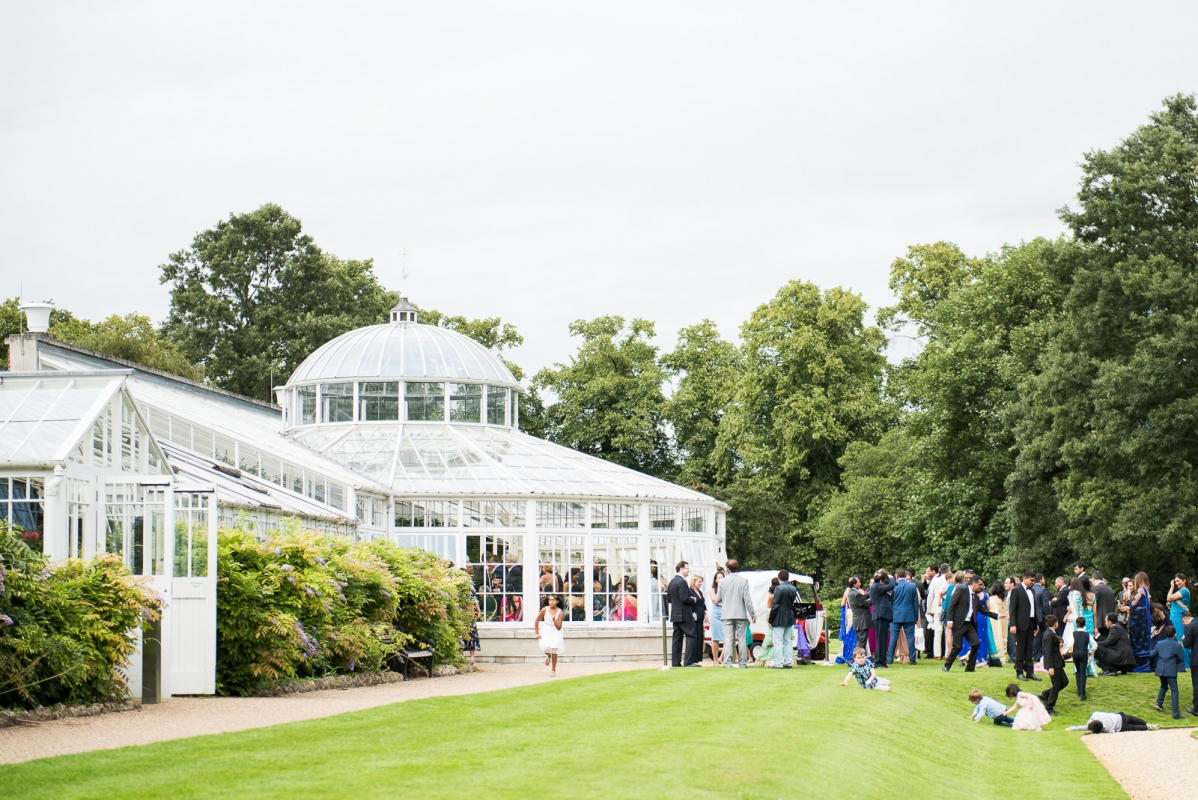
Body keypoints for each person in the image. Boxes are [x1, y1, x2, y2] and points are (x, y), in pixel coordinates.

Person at [944, 575, 997, 672]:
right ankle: (946, 666)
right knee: (958, 646)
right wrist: (950, 620)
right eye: (980, 584)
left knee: (976, 643)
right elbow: (951, 605)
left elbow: (982, 610)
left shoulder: (975, 596)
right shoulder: (961, 590)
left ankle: (970, 668)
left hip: (969, 624)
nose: (982, 587)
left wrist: (997, 616)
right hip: (958, 623)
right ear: (974, 583)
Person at [716, 559, 755, 668]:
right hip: (740, 614)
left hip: (726, 613)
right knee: (741, 639)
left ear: (727, 569)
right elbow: (747, 599)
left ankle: (728, 663)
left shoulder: (722, 581)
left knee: (728, 638)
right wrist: (752, 614)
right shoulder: (744, 581)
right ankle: (743, 663)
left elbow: (718, 598)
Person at [1008, 570, 1041, 682]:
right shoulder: (1016, 590)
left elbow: (1033, 608)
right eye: (1031, 580)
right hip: (1020, 623)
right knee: (1020, 648)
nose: (1032, 582)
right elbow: (1012, 609)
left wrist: (1036, 623)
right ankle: (1019, 671)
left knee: (1029, 648)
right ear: (1025, 578)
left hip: (1031, 622)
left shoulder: (1031, 590)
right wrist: (1013, 624)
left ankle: (1030, 672)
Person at [1151, 626, 1186, 719]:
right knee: (1174, 691)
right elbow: (1181, 658)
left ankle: (1159, 702)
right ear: (1174, 635)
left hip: (1160, 669)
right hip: (1170, 670)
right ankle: (1176, 714)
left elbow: (1152, 654)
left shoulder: (1159, 643)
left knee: (1163, 686)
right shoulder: (1177, 645)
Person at [1066, 576, 1098, 677]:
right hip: (1090, 622)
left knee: (1078, 643)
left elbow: (1072, 605)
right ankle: (1090, 668)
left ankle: (1079, 668)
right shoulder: (1093, 596)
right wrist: (1096, 626)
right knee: (1089, 644)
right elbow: (1095, 612)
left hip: (1079, 621)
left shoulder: (1076, 595)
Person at [888, 569, 920, 666]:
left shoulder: (893, 587)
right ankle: (913, 659)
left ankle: (889, 659)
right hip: (909, 615)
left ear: (896, 576)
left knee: (893, 637)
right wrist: (915, 617)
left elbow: (890, 602)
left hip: (896, 615)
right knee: (910, 637)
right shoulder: (912, 586)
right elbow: (915, 602)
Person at [667, 561, 696, 668]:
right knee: (691, 635)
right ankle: (688, 662)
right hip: (684, 614)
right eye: (687, 568)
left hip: (675, 613)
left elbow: (669, 599)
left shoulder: (671, 582)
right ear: (681, 569)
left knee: (677, 638)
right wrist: (692, 599)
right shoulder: (682, 582)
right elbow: (685, 599)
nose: (688, 570)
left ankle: (675, 662)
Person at [1039, 615, 1068, 716]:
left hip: (1058, 662)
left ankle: (1045, 694)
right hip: (1054, 664)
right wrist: (1050, 666)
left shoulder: (1051, 633)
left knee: (1064, 681)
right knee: (1056, 685)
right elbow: (1047, 651)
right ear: (1055, 623)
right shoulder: (1049, 634)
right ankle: (1049, 706)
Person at [769, 569, 798, 669]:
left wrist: (770, 619)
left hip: (779, 617)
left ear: (779, 578)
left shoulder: (778, 588)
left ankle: (778, 663)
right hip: (789, 615)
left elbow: (775, 605)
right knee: (787, 641)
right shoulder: (793, 588)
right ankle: (788, 662)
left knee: (777, 641)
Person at [1124, 572, 1153, 663]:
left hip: (1138, 619)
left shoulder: (1140, 590)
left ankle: (1138, 663)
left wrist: (1129, 598)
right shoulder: (1146, 590)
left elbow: (1133, 604)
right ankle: (1145, 662)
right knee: (1143, 638)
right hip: (1144, 618)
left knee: (1137, 639)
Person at [534, 594, 565, 676]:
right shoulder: (544, 610)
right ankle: (548, 656)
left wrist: (554, 620)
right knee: (545, 647)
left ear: (557, 601)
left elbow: (559, 627)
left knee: (554, 649)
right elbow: (536, 620)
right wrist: (537, 633)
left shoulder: (560, 612)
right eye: (550, 600)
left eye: (553, 600)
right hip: (546, 629)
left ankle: (553, 669)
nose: (551, 602)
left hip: (555, 631)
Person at [869, 570, 894, 668]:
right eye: (886, 579)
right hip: (880, 616)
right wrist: (891, 577)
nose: (888, 581)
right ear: (882, 581)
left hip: (882, 616)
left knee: (883, 640)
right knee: (880, 640)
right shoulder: (877, 586)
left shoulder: (877, 586)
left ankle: (882, 662)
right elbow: (892, 585)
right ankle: (879, 662)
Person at [1166, 573, 1191, 666]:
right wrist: (1171, 605)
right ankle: (1181, 663)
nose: (1176, 583)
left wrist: (1171, 587)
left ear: (1184, 580)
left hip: (1180, 619)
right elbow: (1170, 601)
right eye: (1175, 581)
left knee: (1182, 640)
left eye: (1178, 581)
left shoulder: (1184, 590)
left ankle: (1186, 664)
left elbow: (1169, 597)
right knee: (1178, 640)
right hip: (1176, 618)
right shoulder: (1181, 591)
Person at [927, 564, 950, 660]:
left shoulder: (935, 581)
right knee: (948, 632)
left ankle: (937, 654)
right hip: (948, 607)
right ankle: (947, 654)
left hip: (937, 608)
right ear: (949, 570)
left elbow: (930, 595)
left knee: (937, 631)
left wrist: (928, 610)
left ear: (940, 570)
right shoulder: (950, 580)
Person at [848, 576, 873, 658]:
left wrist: (870, 593)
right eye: (858, 582)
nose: (860, 583)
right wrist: (874, 598)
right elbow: (866, 604)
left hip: (858, 620)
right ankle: (854, 659)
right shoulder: (856, 594)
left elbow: (863, 598)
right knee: (862, 641)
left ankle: (855, 658)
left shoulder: (853, 593)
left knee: (860, 640)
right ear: (854, 584)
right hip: (861, 620)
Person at [1066, 711, 1155, 733]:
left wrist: (1073, 728)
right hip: (1120, 716)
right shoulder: (1096, 714)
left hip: (1121, 727)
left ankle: (1147, 727)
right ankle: (1146, 723)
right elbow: (1087, 725)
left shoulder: (1105, 728)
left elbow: (1085, 727)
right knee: (1136, 720)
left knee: (1135, 728)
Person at [686, 575, 707, 666]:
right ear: (694, 582)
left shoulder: (700, 592)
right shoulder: (689, 591)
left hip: (700, 618)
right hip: (693, 618)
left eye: (701, 582)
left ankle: (697, 659)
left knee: (699, 638)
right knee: (694, 638)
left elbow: (703, 604)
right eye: (699, 582)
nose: (700, 584)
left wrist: (706, 613)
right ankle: (692, 659)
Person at [1072, 617, 1094, 702]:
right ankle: (1082, 693)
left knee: (1078, 670)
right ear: (1085, 625)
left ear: (1076, 624)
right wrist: (1090, 652)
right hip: (1084, 654)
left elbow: (1070, 644)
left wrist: (1064, 652)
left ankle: (1079, 689)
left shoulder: (1073, 634)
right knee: (1083, 672)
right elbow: (1095, 645)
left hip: (1075, 654)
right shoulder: (1087, 635)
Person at [987, 581, 1009, 664]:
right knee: (1004, 637)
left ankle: (997, 656)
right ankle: (1003, 655)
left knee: (996, 637)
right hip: (1004, 619)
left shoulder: (991, 599)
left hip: (995, 620)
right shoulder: (1005, 599)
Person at [1181, 611, 1197, 715]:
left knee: (1196, 683)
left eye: (1183, 623)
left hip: (1197, 658)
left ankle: (1197, 709)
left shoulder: (1189, 626)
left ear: (1185, 620)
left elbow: (1187, 644)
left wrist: (1183, 640)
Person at [1032, 573, 1050, 662]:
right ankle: (1046, 653)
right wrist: (1048, 615)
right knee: (1048, 634)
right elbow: (1046, 605)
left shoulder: (1031, 589)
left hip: (1033, 616)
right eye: (1043, 578)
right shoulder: (1043, 590)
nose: (1044, 580)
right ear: (1040, 580)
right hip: (1042, 616)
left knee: (1037, 635)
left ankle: (1035, 655)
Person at [1092, 571, 1116, 637]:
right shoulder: (1110, 589)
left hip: (1100, 621)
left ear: (1093, 578)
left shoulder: (1095, 588)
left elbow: (1094, 605)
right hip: (1110, 620)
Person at [708, 570, 725, 666]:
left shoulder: (727, 589)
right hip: (715, 614)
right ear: (715, 580)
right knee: (715, 637)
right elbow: (714, 600)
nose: (720, 579)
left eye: (722, 577)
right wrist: (722, 604)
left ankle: (722, 657)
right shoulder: (712, 589)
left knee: (727, 637)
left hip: (725, 613)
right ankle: (715, 660)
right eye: (718, 577)